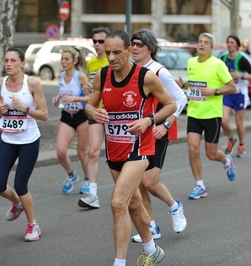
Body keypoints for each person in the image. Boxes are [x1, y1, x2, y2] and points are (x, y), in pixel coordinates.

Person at [85, 30, 176, 266]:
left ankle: (119, 262)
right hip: (114, 150)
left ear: (128, 51)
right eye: (107, 53)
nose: (112, 57)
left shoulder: (145, 77)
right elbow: (89, 106)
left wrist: (149, 120)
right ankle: (152, 249)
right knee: (134, 203)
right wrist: (94, 112)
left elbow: (171, 105)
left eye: (117, 52)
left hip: (140, 149)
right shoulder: (101, 75)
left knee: (118, 203)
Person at [129, 28, 188, 243]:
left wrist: (165, 124)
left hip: (157, 130)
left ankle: (175, 207)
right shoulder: (131, 69)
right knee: (138, 183)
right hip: (138, 132)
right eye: (133, 44)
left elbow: (181, 99)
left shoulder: (159, 71)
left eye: (139, 44)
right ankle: (152, 226)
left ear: (150, 49)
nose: (134, 48)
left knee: (150, 182)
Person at [0, 47, 48, 241]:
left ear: (23, 64)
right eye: (6, 60)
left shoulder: (32, 83)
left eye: (13, 60)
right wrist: (0, 110)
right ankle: (17, 204)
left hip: (29, 140)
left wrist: (25, 108)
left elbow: (45, 115)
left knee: (20, 184)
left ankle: (33, 225)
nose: (8, 64)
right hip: (8, 139)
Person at [175, 33, 237, 200]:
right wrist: (184, 84)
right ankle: (200, 185)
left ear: (211, 48)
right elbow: (195, 83)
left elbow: (232, 87)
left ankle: (226, 161)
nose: (201, 44)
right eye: (200, 42)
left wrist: (214, 91)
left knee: (211, 154)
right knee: (192, 149)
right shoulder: (191, 62)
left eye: (206, 43)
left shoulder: (218, 65)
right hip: (194, 112)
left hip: (212, 114)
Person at [78, 26, 110, 208]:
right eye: (94, 41)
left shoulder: (115, 61)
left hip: (115, 113)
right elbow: (92, 89)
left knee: (118, 156)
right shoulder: (91, 64)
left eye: (101, 41)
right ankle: (93, 194)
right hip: (97, 111)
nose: (97, 45)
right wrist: (87, 90)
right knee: (93, 151)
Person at [52, 47, 90, 194]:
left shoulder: (80, 76)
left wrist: (75, 98)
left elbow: (90, 97)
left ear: (74, 61)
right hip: (67, 116)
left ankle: (87, 179)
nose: (63, 61)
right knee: (60, 152)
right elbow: (64, 92)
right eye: (62, 58)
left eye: (66, 59)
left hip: (81, 116)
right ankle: (71, 175)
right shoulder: (61, 77)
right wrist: (58, 97)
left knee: (81, 152)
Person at [221, 35, 251, 158]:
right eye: (228, 42)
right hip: (227, 94)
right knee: (223, 121)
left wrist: (241, 76)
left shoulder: (242, 59)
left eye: (232, 42)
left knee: (238, 122)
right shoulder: (222, 59)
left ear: (237, 45)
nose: (229, 44)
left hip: (240, 94)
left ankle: (242, 145)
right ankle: (231, 139)